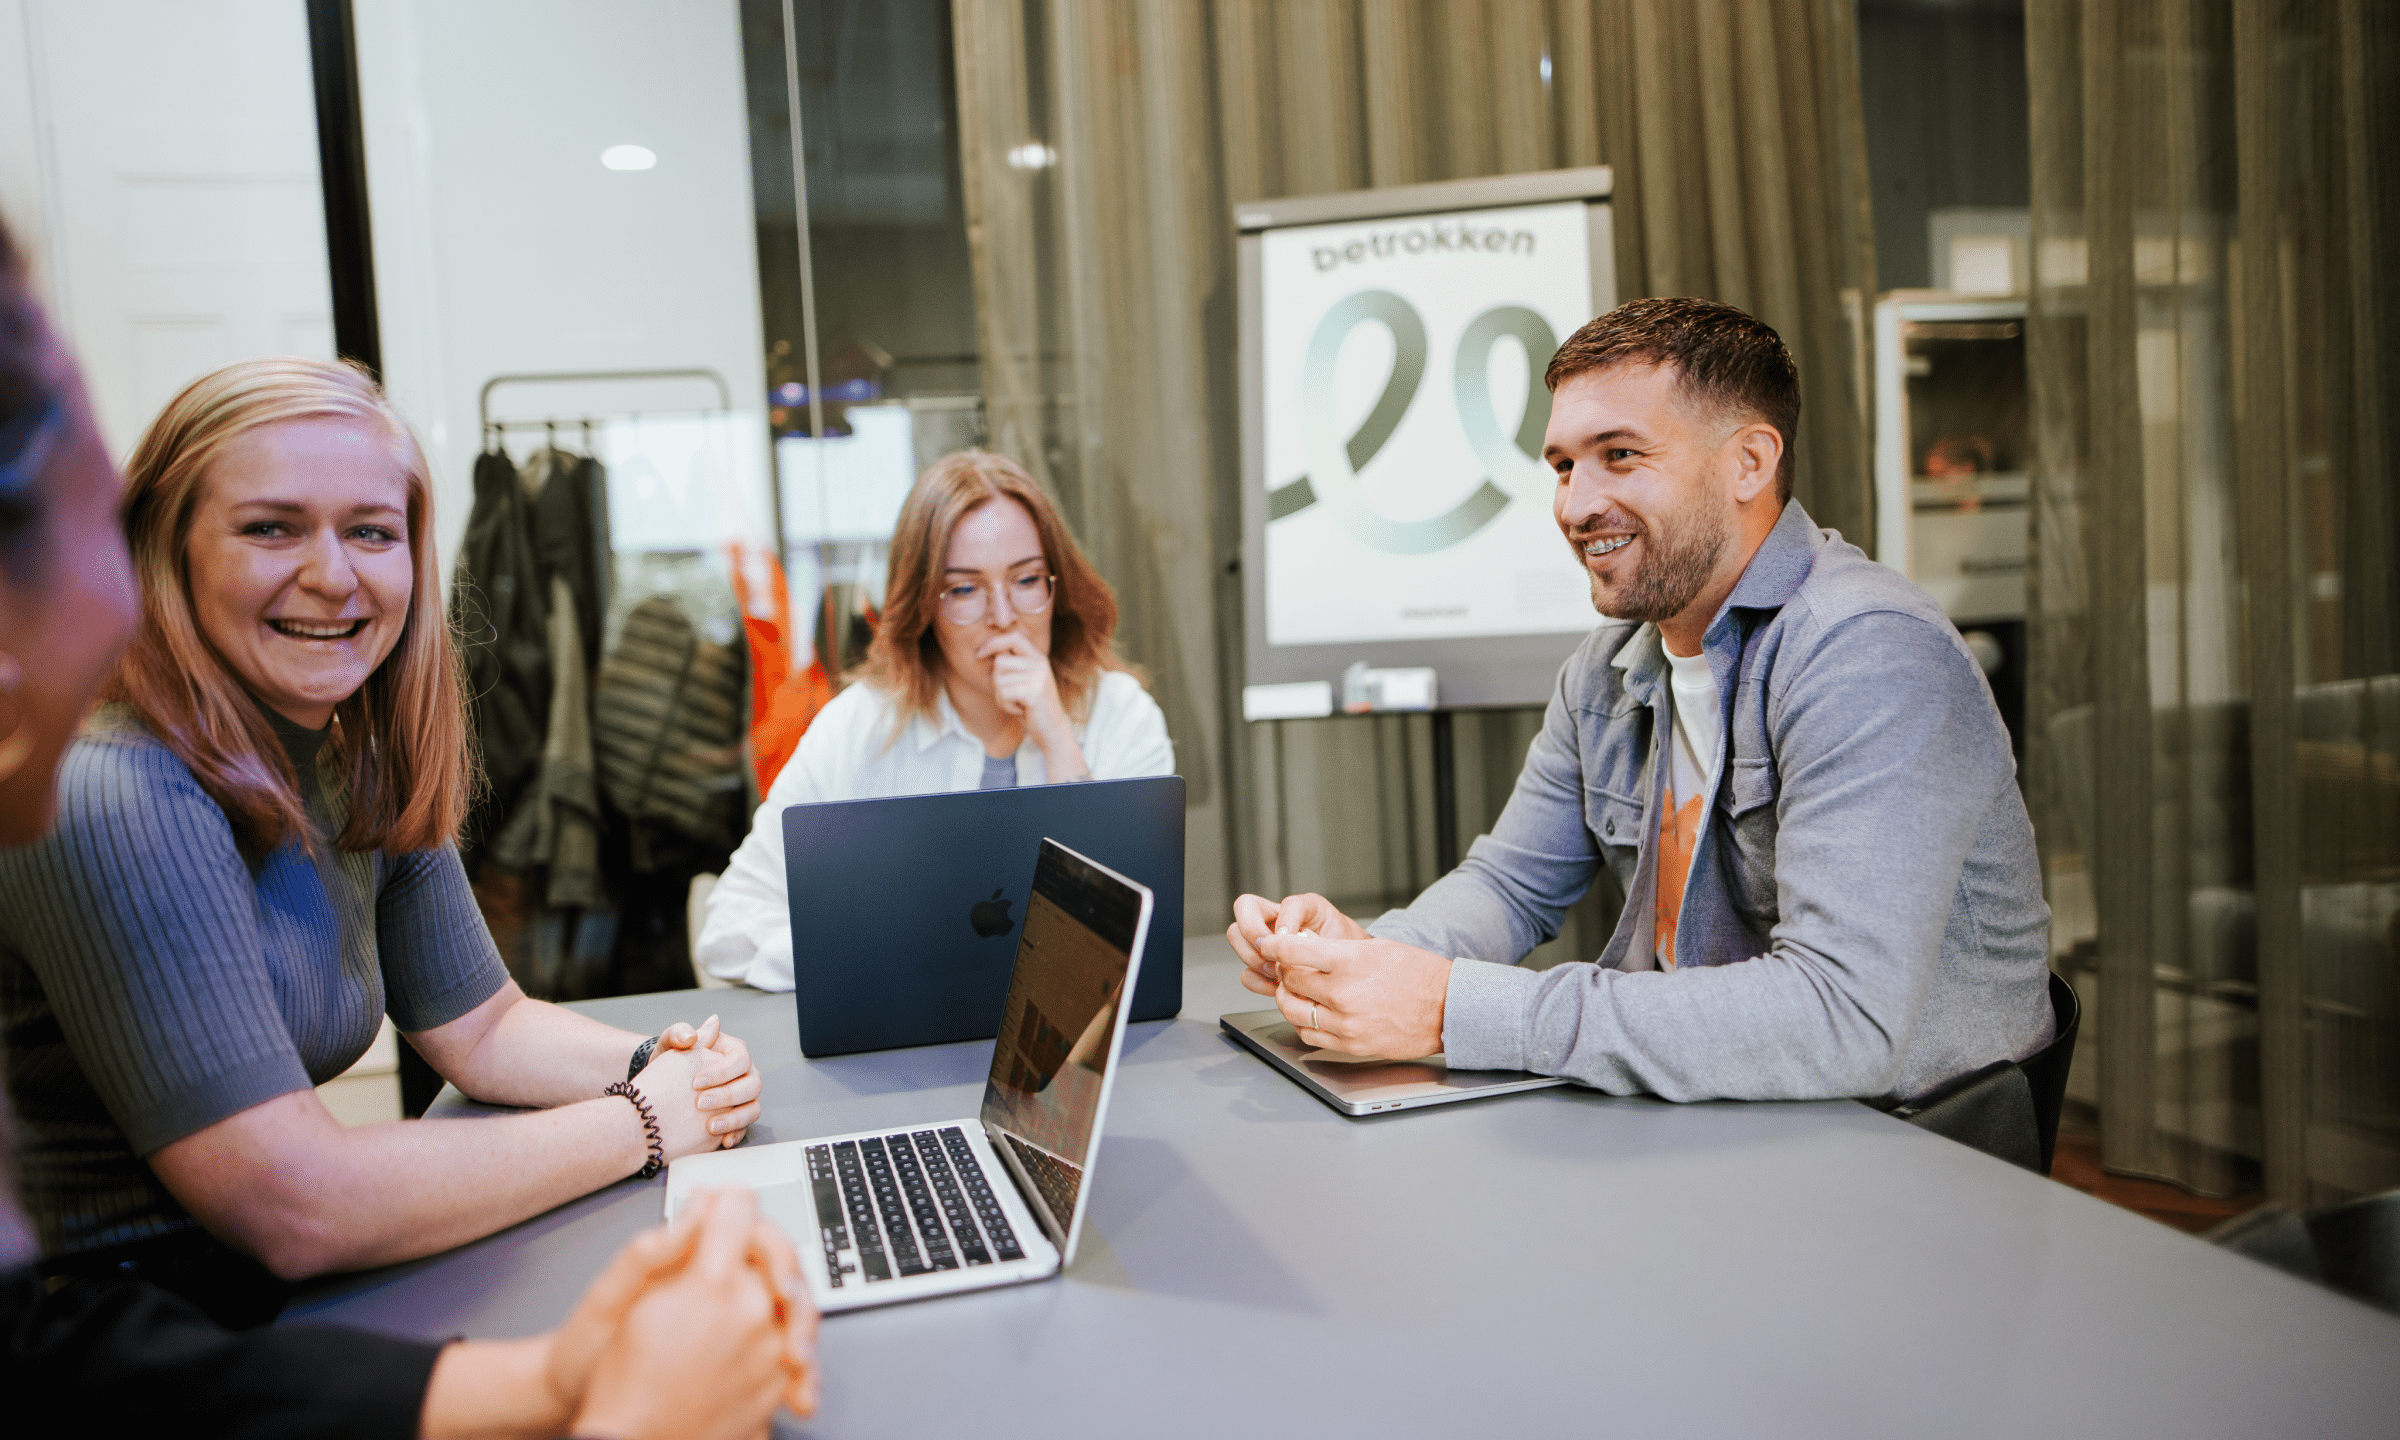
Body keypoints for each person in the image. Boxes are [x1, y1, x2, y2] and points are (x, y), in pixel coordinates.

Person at [0, 213, 817, 1435]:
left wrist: (660, 1064)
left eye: (371, 533)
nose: (334, 576)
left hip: (290, 1316)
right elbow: (296, 1201)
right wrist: (646, 1122)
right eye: (272, 528)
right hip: (144, 1350)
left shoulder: (356, 748)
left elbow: (482, 1027)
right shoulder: (123, 793)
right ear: (163, 551)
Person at [1228, 297, 2052, 1104]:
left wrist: (1449, 1008)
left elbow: (1843, 1020)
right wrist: (1368, 959)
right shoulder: (1607, 667)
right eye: (1562, 465)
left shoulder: (1869, 652)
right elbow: (1510, 884)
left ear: (1750, 462)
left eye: (1619, 455)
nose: (1576, 506)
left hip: (1900, 1151)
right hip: (1710, 1116)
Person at [697, 449, 1173, 990]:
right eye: (965, 589)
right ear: (923, 605)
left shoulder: (1121, 713)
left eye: (1026, 580)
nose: (1002, 616)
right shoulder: (857, 728)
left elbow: (1132, 938)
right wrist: (884, 958)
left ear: (1055, 583)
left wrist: (1059, 742)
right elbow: (729, 928)